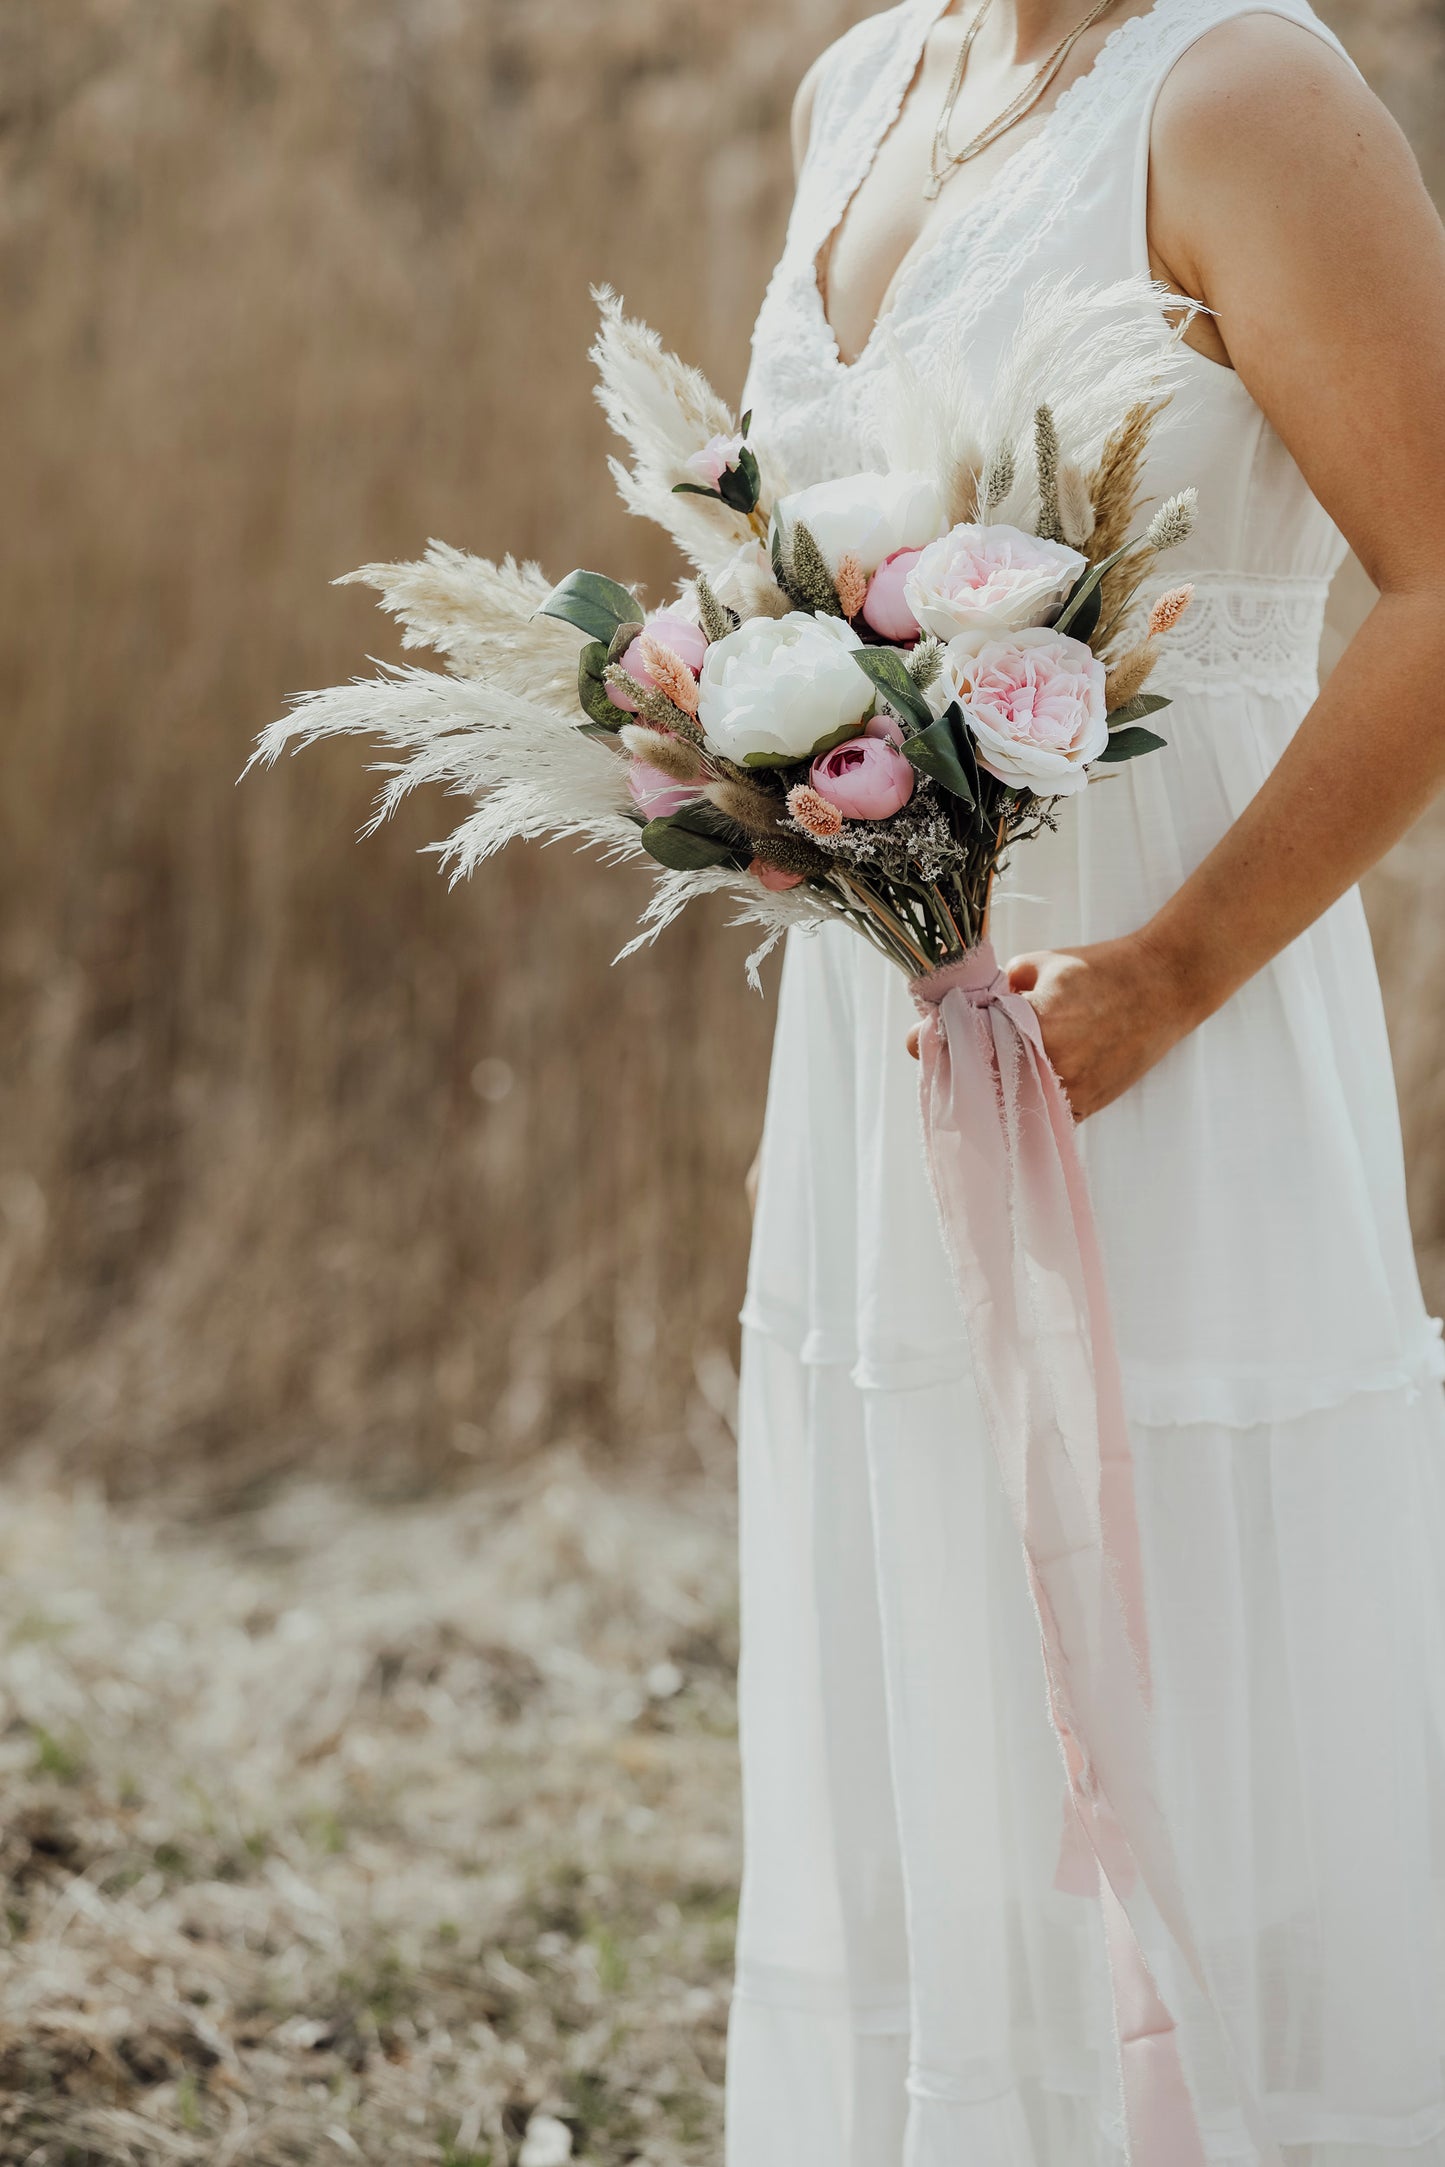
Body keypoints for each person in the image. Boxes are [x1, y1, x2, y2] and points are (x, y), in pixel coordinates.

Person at [730, 2, 1445, 2160]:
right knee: (932, 1629)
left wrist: (1169, 969)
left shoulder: (1244, 90)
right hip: (889, 1030)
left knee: (1196, 1657)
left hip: (1160, 1021)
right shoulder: (858, 85)